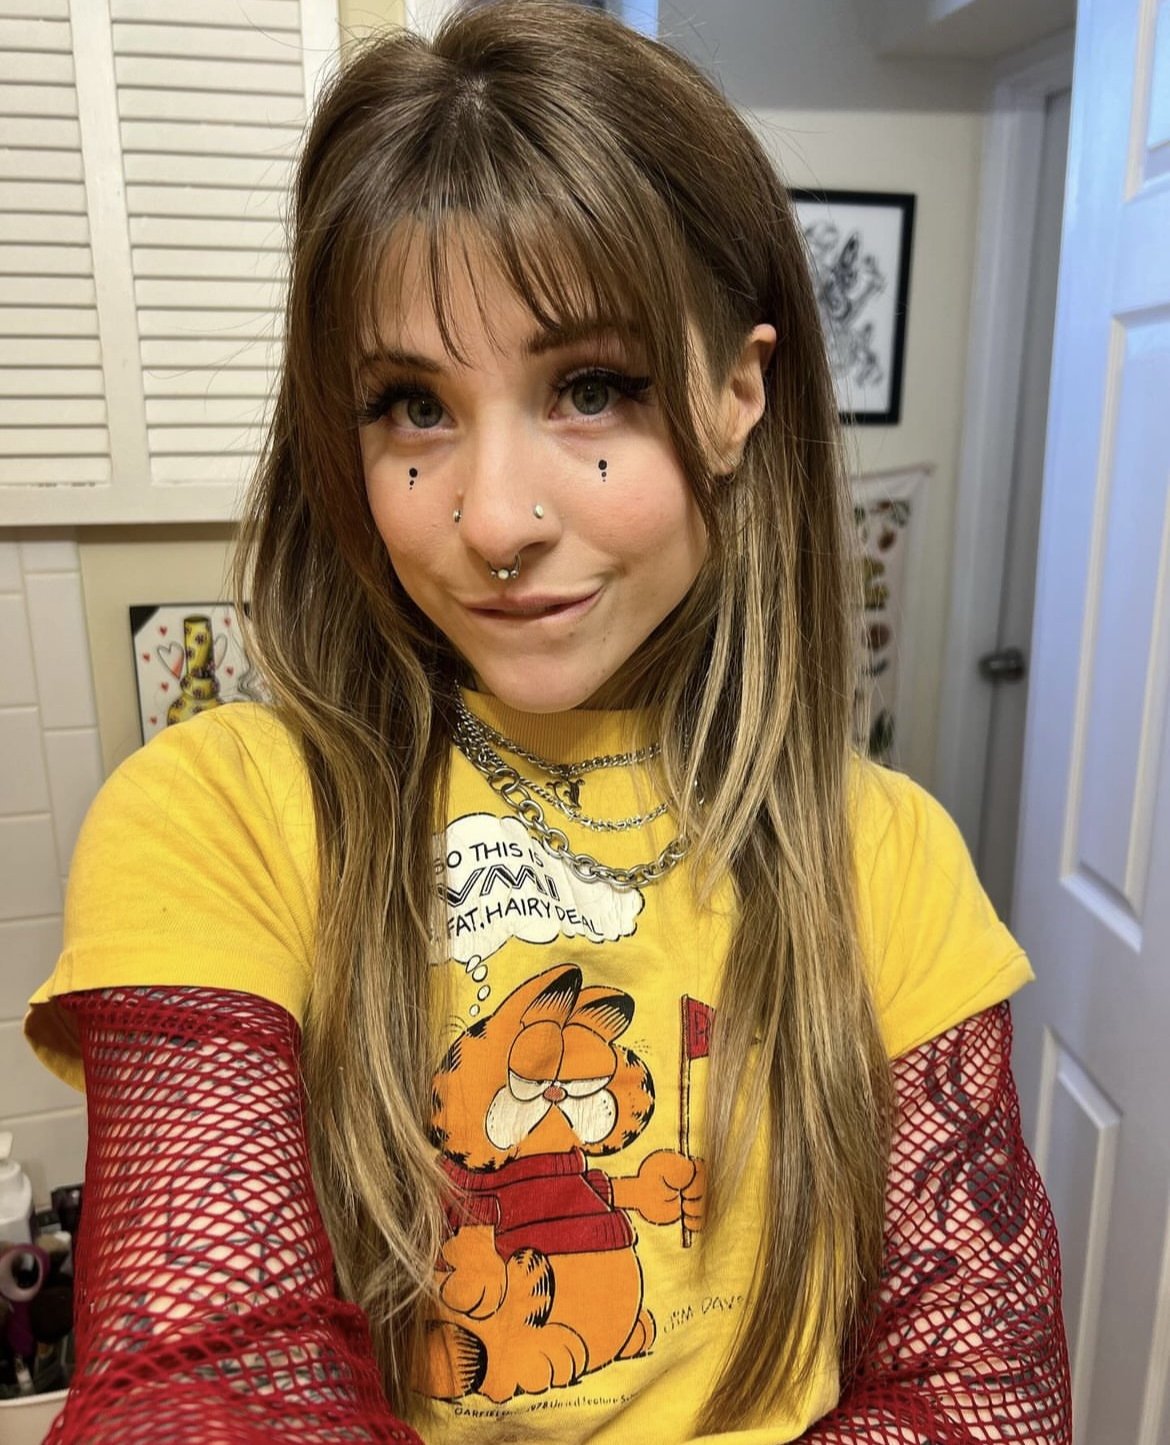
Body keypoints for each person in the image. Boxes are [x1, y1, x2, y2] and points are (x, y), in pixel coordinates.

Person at [24, 3, 1070, 1440]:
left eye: (590, 389)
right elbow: (204, 1381)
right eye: (412, 406)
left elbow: (982, 1391)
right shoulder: (224, 813)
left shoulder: (887, 855)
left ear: (735, 393)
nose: (498, 520)